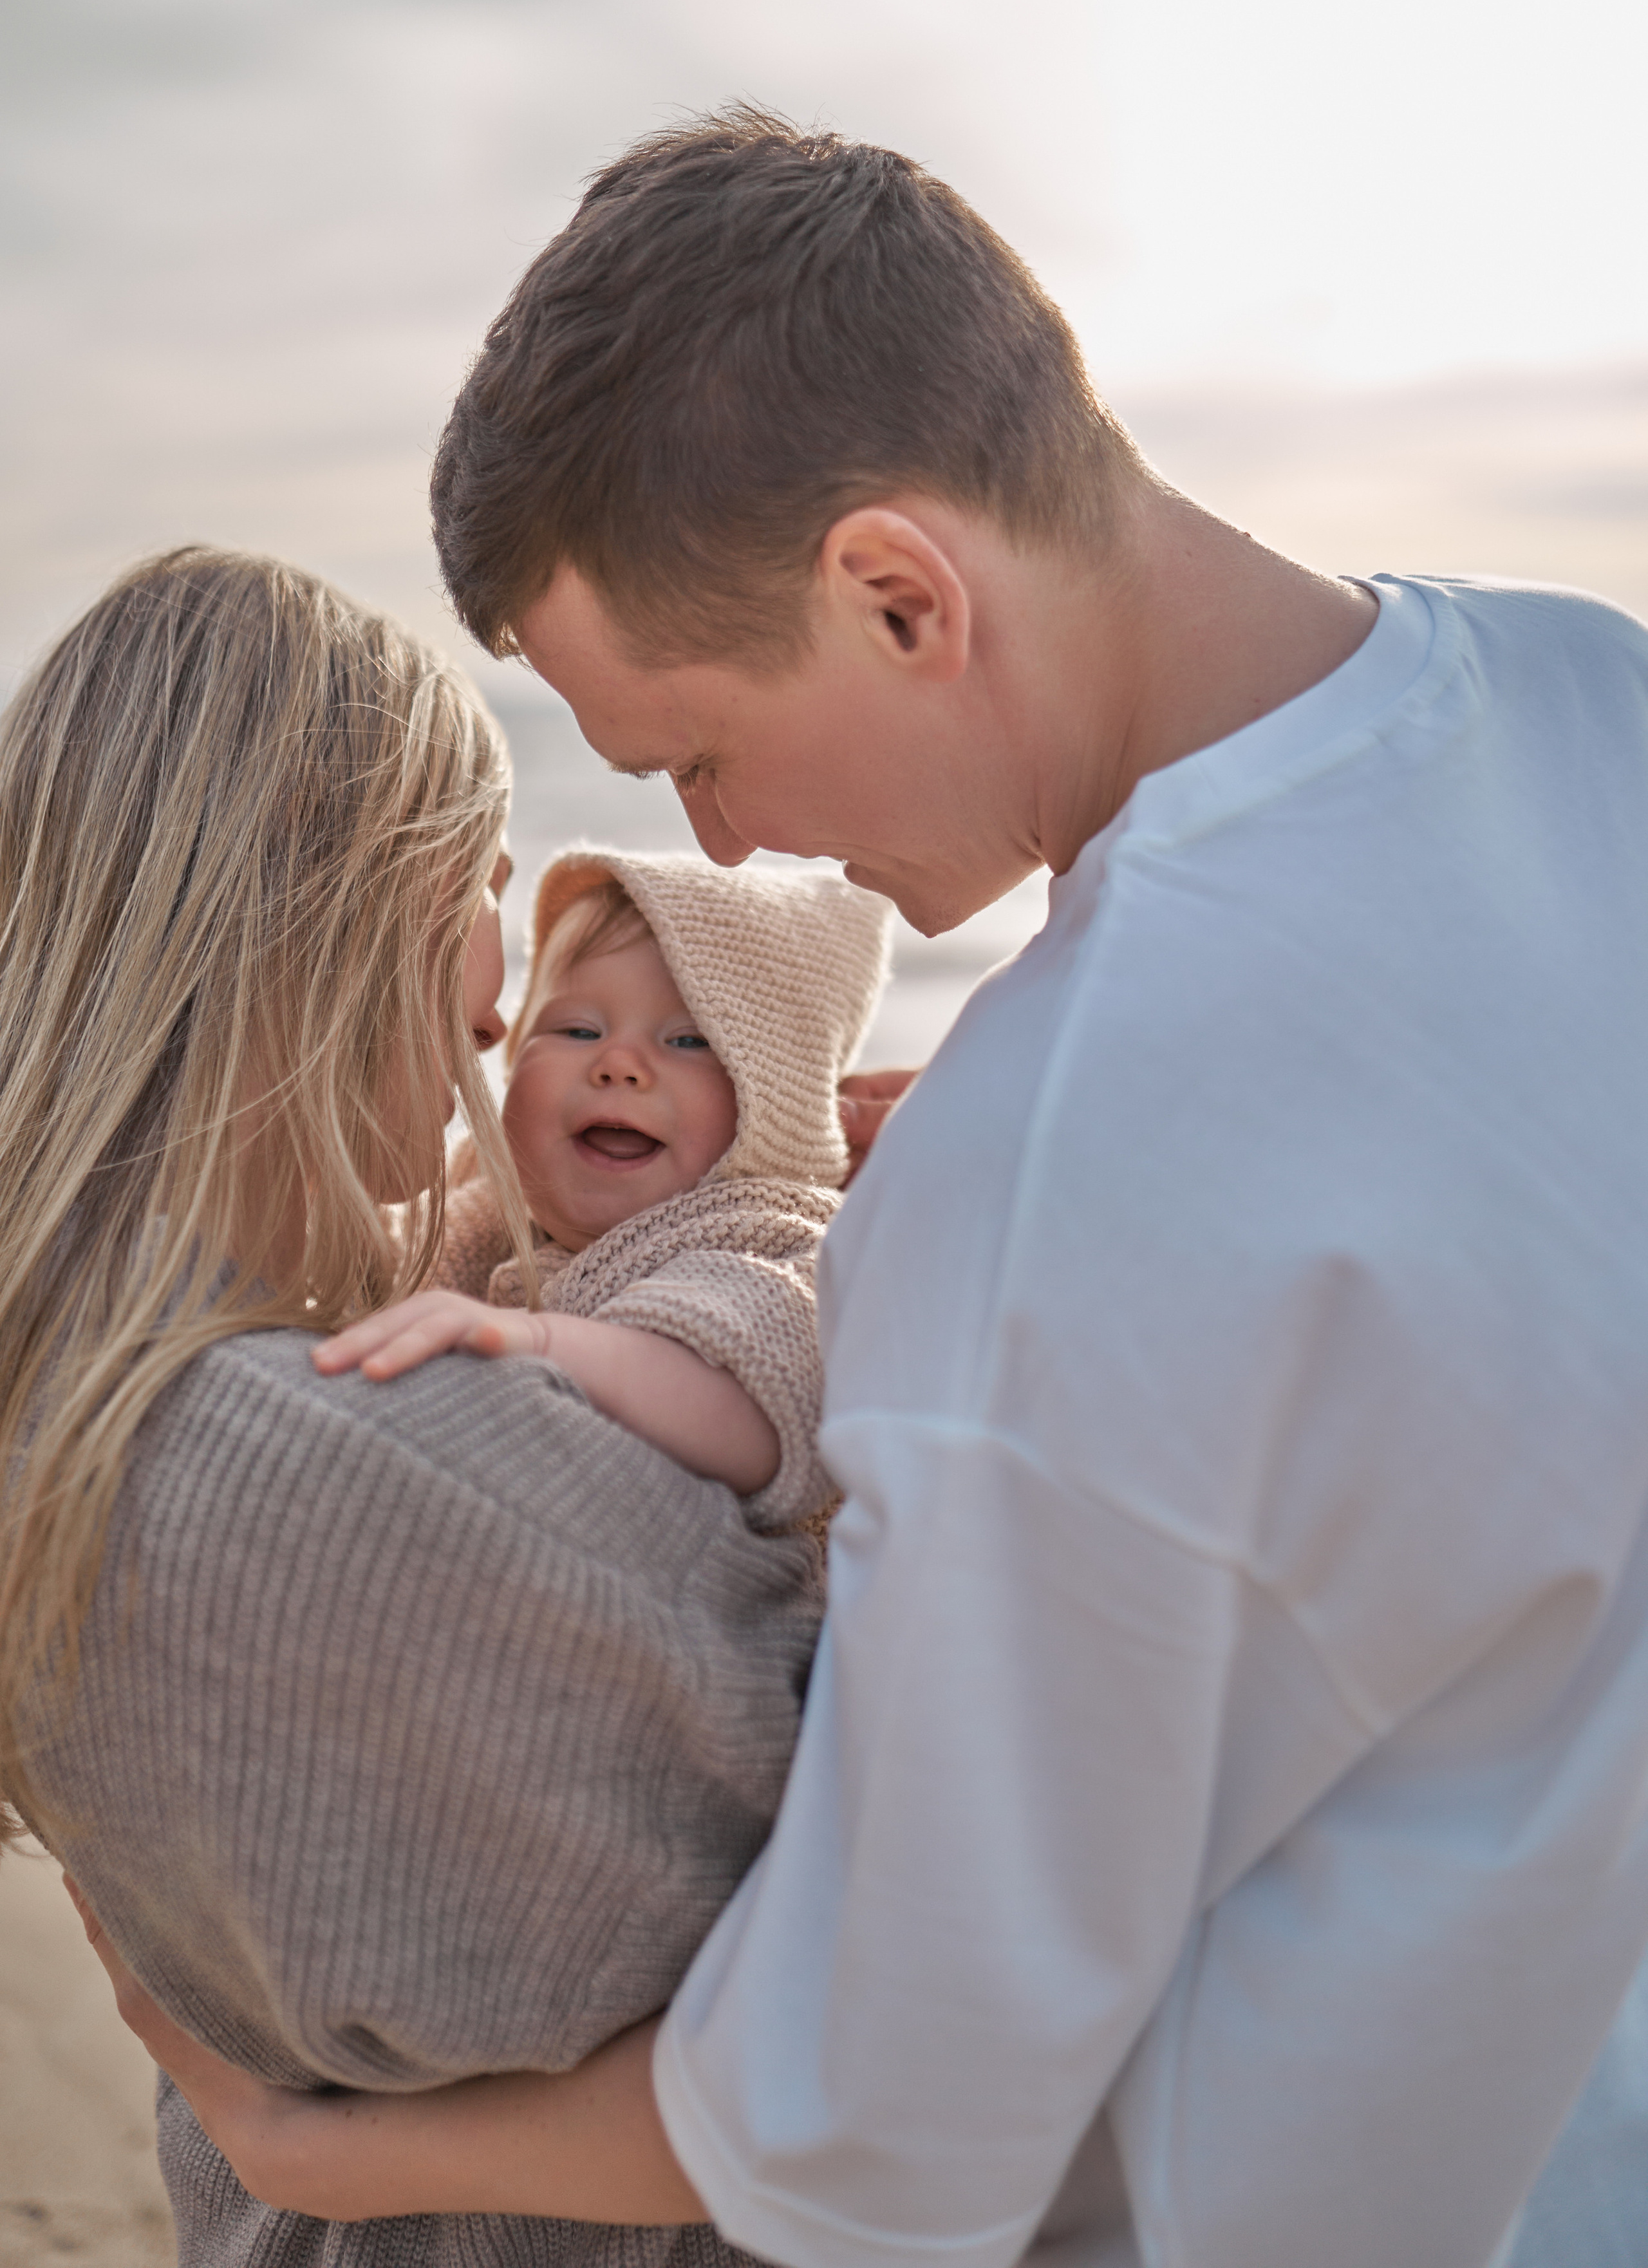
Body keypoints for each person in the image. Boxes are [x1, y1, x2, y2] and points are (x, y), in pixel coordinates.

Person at [98, 109, 1648, 2268]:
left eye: (694, 756)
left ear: (901, 594)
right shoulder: (1600, 702)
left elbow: (884, 2140)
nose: (724, 853)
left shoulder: (1052, 1162)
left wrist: (318, 2154)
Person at [0, 545, 834, 2268]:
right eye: (482, 875)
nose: (506, 972)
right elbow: (941, 1961)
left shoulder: (75, 1398)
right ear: (327, 921)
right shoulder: (335, 1477)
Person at [335, 846, 890, 1529]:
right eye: (576, 1029)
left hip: (709, 1610)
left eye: (689, 1042)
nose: (618, 1065)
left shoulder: (779, 1236)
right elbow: (372, 1260)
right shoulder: (494, 1197)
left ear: (786, 1104)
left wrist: (538, 1343)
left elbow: (750, 1408)